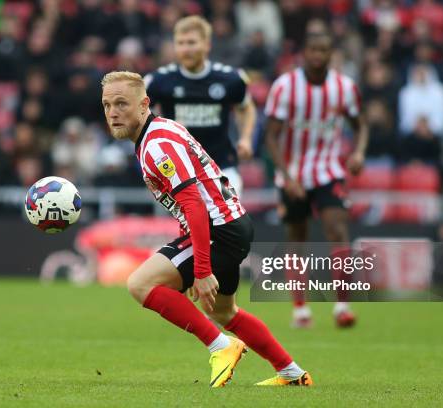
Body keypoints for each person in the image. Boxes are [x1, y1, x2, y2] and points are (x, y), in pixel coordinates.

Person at [101, 70, 312, 387]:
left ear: (144, 104)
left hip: (218, 230)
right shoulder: (159, 131)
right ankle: (293, 373)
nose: (113, 113)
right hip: (232, 225)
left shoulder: (157, 145)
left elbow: (195, 205)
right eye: (107, 105)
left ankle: (222, 347)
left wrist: (200, 270)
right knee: (225, 313)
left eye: (121, 104)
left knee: (140, 284)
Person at [264, 32, 369, 328]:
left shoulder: (344, 87)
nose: (318, 55)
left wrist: (359, 152)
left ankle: (343, 307)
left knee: (337, 228)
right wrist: (286, 176)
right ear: (304, 52)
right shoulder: (285, 87)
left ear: (330, 52)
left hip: (328, 171)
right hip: (293, 174)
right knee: (297, 237)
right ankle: (300, 309)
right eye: (313, 49)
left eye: (323, 49)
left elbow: (360, 124)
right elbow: (270, 136)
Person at [144, 16, 256, 196]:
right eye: (180, 43)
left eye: (191, 42)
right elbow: (140, 113)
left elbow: (246, 107)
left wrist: (246, 138)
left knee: (227, 218)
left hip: (222, 165)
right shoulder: (159, 80)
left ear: (207, 45)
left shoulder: (230, 79)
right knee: (195, 222)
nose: (185, 49)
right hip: (178, 170)